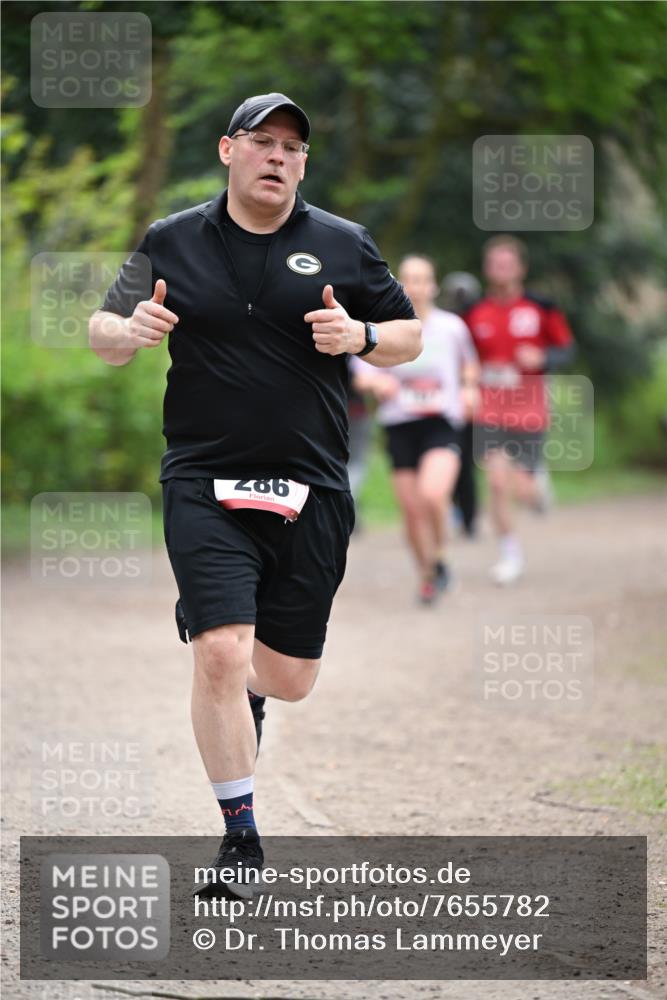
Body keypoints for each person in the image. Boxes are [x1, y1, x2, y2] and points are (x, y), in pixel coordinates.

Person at [88, 93, 421, 894]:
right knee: (220, 650)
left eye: (294, 148)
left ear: (304, 165)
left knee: (286, 677)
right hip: (202, 477)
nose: (279, 156)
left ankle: (237, 672)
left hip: (312, 483)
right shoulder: (172, 240)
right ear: (227, 151)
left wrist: (364, 338)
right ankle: (241, 843)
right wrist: (127, 332)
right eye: (263, 141)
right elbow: (102, 329)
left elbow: (409, 335)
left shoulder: (341, 244)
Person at [352, 255, 479, 604]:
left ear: (433, 285)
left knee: (433, 495)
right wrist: (376, 385)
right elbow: (362, 368)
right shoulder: (385, 326)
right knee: (410, 510)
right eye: (408, 279)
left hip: (441, 422)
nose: (415, 286)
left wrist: (469, 390)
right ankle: (427, 575)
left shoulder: (452, 327)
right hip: (400, 425)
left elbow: (469, 366)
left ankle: (440, 556)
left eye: (422, 279)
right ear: (398, 285)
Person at [465, 235, 575, 585]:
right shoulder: (475, 313)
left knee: (524, 490)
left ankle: (538, 483)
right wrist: (470, 381)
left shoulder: (541, 308)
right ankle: (509, 554)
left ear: (520, 268)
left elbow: (566, 349)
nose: (501, 269)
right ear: (487, 269)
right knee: (497, 483)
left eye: (507, 263)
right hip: (490, 408)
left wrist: (543, 357)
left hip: (529, 407)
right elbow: (465, 357)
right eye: (495, 263)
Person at [441, 272, 483, 537]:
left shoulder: (478, 320)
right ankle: (455, 511)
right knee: (452, 462)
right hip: (445, 400)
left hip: (468, 399)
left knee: (465, 463)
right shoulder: (446, 322)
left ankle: (468, 517)